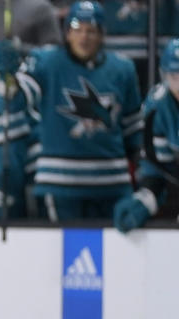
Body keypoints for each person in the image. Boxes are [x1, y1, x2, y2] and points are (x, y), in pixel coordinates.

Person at [16, 1, 143, 220]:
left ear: (102, 34)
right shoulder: (46, 62)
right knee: (59, 254)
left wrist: (144, 182)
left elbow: (134, 131)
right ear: (67, 33)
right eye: (77, 30)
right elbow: (17, 98)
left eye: (91, 31)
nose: (84, 37)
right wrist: (7, 78)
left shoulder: (123, 68)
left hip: (112, 185)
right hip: (59, 186)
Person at [116, 37, 179, 232]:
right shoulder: (157, 106)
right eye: (175, 77)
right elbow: (160, 169)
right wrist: (147, 198)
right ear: (164, 75)